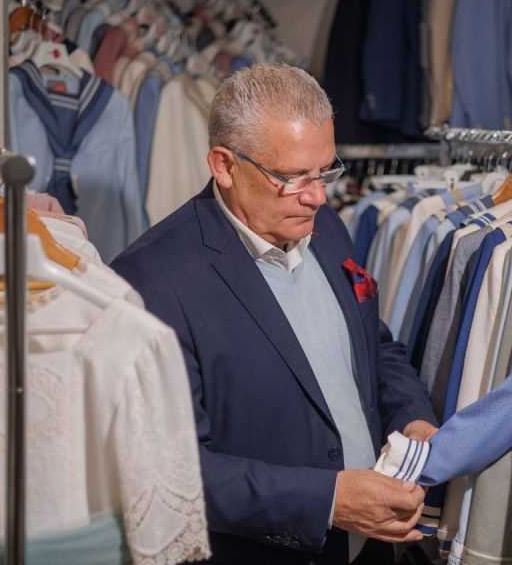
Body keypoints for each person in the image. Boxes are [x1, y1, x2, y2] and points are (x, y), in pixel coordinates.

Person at [111, 63, 438, 564]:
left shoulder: (325, 228)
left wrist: (413, 417)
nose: (317, 196)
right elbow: (169, 471)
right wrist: (327, 501)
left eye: (325, 171)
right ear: (224, 165)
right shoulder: (151, 281)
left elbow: (372, 344)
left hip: (370, 549)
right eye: (290, 177)